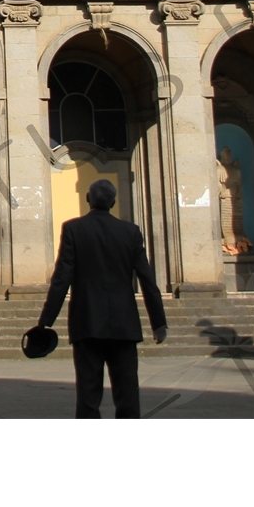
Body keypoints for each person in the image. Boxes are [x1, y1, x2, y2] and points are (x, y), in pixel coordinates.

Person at [35, 179, 167, 419]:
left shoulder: (73, 229)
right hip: (124, 324)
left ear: (88, 199)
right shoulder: (130, 232)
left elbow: (62, 277)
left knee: (88, 393)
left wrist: (46, 320)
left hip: (87, 322)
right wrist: (158, 323)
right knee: (127, 392)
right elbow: (147, 280)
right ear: (114, 202)